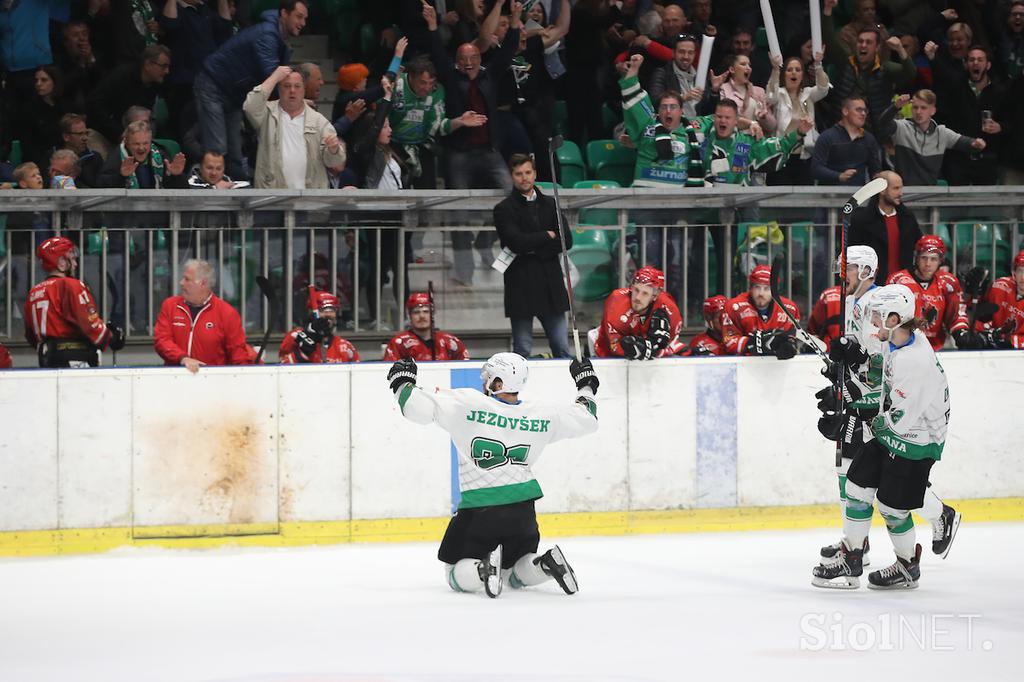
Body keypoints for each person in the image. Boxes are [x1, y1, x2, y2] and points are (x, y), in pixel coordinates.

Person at [386, 351, 599, 597]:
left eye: (489, 376)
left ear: (499, 383)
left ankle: (482, 569)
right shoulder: (542, 414)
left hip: (480, 509)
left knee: (454, 572)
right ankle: (544, 564)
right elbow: (587, 418)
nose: (484, 379)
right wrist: (586, 383)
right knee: (514, 571)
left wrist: (402, 381)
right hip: (523, 509)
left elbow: (416, 407)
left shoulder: (467, 403)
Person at [816, 246, 959, 569]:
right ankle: (856, 546)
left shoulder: (908, 352)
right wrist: (845, 375)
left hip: (909, 432)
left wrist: (851, 401)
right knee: (855, 477)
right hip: (887, 414)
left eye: (849, 268)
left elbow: (888, 396)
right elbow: (873, 369)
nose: (842, 275)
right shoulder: (885, 325)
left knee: (894, 496)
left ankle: (923, 533)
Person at [194, 0, 307, 179]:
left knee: (235, 153)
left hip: (234, 93)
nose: (303, 23)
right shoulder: (267, 35)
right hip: (214, 84)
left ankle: (236, 197)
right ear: (284, 13)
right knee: (217, 148)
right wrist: (297, 102)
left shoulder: (277, 36)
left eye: (305, 19)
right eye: (299, 17)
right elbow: (272, 74)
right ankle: (211, 200)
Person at [492, 153, 573, 358]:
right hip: (521, 284)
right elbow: (515, 243)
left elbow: (567, 240)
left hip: (550, 284)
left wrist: (532, 247)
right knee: (522, 350)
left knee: (562, 348)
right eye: (518, 173)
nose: (524, 177)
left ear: (535, 173)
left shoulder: (550, 203)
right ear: (512, 176)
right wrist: (546, 235)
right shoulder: (503, 209)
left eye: (528, 172)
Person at [24, 236, 125, 367]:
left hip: (46, 357)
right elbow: (89, 323)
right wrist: (111, 336)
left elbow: (30, 335)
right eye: (72, 259)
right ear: (61, 262)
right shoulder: (71, 286)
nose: (75, 264)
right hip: (74, 356)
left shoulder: (33, 293)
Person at [244, 66, 346, 189]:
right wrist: (274, 77)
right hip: (272, 197)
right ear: (279, 89)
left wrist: (334, 150)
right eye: (286, 86)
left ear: (304, 90)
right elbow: (250, 107)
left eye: (297, 86)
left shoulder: (319, 121)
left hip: (309, 200)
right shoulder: (267, 114)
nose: (292, 90)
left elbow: (334, 163)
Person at [821, 0, 915, 133]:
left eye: (868, 42)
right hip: (841, 130)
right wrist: (828, 9)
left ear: (877, 47)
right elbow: (829, 40)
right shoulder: (846, 62)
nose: (863, 45)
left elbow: (910, 73)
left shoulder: (885, 68)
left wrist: (900, 49)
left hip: (872, 133)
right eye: (860, 41)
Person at [619, 53, 705, 188]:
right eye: (664, 107)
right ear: (658, 110)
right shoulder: (648, 123)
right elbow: (631, 93)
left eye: (673, 107)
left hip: (679, 202)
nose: (668, 111)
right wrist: (634, 68)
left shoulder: (694, 128)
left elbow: (723, 118)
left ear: (682, 110)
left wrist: (750, 124)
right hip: (644, 199)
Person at [153, 258, 250, 372]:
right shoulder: (170, 306)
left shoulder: (227, 313)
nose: (181, 282)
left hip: (212, 382)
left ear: (203, 283)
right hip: (174, 379)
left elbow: (238, 354)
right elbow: (162, 340)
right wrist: (183, 358)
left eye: (187, 279)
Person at [878, 90, 985, 187]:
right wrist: (895, 107)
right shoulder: (901, 127)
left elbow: (966, 143)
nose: (918, 112)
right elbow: (882, 124)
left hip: (929, 193)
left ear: (933, 111)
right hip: (905, 192)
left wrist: (976, 144)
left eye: (923, 108)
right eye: (915, 107)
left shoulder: (942, 133)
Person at [886, 235, 969, 351]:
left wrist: (961, 332)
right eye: (924, 258)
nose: (928, 264)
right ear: (917, 257)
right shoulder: (898, 281)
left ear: (940, 261)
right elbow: (887, 316)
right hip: (902, 347)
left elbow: (955, 315)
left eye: (933, 259)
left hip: (936, 348)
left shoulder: (948, 283)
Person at [765, 50, 830, 185]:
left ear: (802, 75)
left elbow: (823, 89)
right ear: (784, 75)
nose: (793, 73)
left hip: (804, 156)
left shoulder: (808, 93)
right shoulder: (780, 94)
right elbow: (770, 96)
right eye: (789, 70)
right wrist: (776, 69)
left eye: (797, 70)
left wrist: (818, 64)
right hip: (781, 156)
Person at [594, 266, 684, 359]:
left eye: (645, 293)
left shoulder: (669, 309)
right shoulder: (616, 302)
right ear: (631, 287)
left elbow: (671, 343)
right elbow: (613, 346)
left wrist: (656, 350)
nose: (637, 297)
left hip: (654, 362)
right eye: (636, 290)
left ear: (655, 296)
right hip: (609, 358)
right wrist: (643, 350)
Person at [848, 171, 922, 283]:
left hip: (903, 285)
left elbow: (921, 244)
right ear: (882, 190)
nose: (901, 193)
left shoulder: (907, 218)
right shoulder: (861, 220)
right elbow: (851, 254)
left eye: (901, 188)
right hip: (872, 285)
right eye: (896, 188)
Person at [721, 264, 799, 359]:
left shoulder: (789, 309)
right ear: (751, 288)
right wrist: (757, 342)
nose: (761, 293)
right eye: (757, 287)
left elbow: (792, 339)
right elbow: (729, 342)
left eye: (766, 288)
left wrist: (788, 345)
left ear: (774, 289)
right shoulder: (734, 307)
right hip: (744, 366)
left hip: (778, 367)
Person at [810, 95, 883, 186]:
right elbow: (816, 168)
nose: (863, 114)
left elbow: (875, 170)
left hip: (858, 196)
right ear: (845, 111)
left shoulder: (869, 139)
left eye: (865, 110)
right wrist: (839, 176)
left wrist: (879, 177)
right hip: (830, 195)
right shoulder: (827, 137)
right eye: (859, 110)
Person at [279, 288, 359, 363]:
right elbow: (281, 368)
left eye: (332, 310)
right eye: (322, 310)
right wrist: (302, 354)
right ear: (310, 313)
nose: (328, 314)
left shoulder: (345, 346)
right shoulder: (295, 336)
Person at [384, 292, 470, 361]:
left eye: (426, 311)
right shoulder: (398, 343)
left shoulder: (451, 342)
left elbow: (465, 370)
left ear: (432, 314)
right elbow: (389, 372)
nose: (422, 316)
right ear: (410, 316)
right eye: (416, 312)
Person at [975, 250, 1024, 349]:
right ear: (1014, 273)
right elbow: (978, 316)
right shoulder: (999, 286)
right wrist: (976, 294)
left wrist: (1010, 341)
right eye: (1020, 271)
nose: (1023, 277)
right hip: (994, 349)